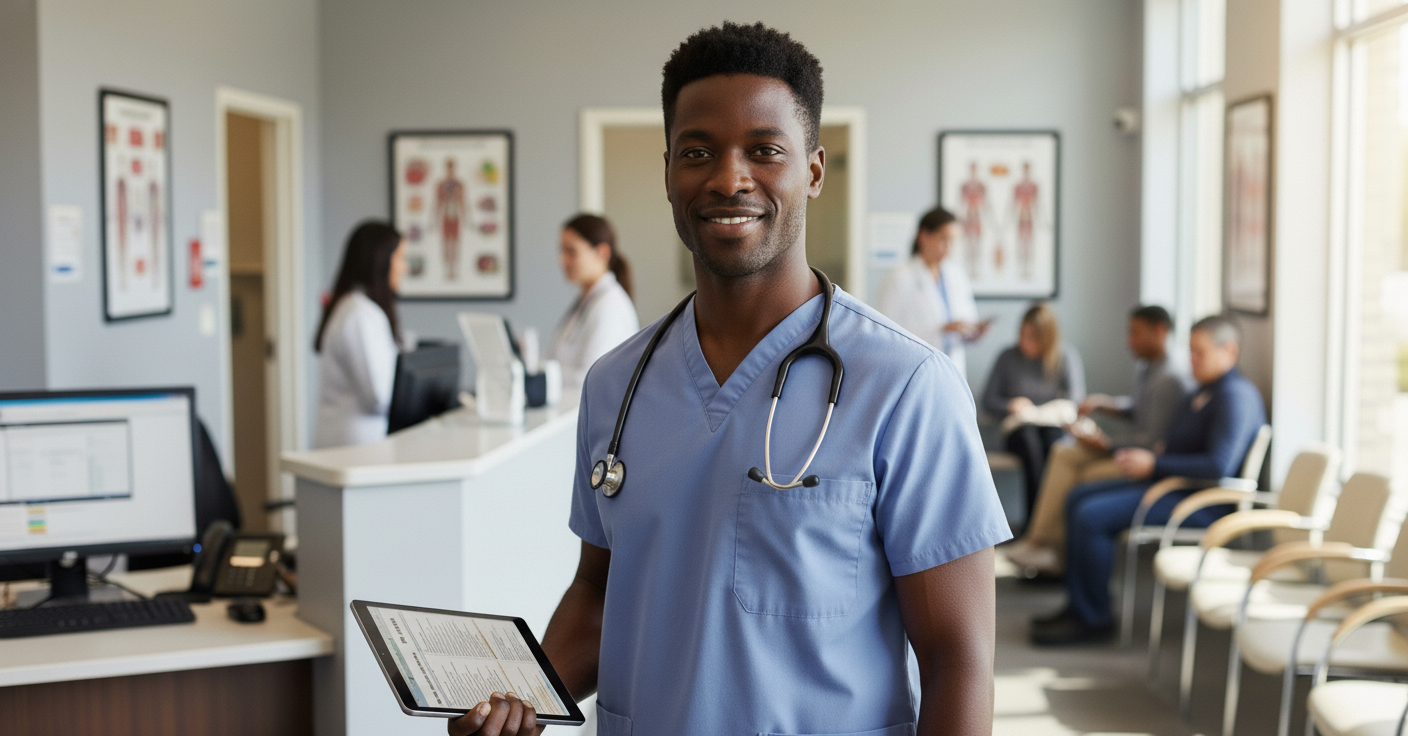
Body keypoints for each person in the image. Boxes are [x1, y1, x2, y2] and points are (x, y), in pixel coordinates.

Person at [449, 22, 1010, 736]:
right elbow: (599, 594)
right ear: (668, 173)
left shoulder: (906, 386)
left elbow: (958, 657)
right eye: (697, 152)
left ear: (813, 170)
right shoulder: (616, 385)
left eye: (765, 150)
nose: (727, 178)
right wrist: (520, 700)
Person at [1031, 314, 1266, 645]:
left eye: (1199, 353)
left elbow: (1218, 466)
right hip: (1173, 484)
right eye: (1190, 351)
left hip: (1200, 502)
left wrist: (1155, 462)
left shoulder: (1235, 396)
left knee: (1091, 516)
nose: (1191, 360)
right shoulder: (1206, 390)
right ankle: (1077, 605)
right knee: (1077, 496)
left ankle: (1094, 617)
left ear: (1229, 351)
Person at [1005, 305, 1191, 576]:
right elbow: (1140, 409)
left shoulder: (1170, 378)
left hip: (1143, 460)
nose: (1129, 341)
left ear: (1160, 331)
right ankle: (1039, 541)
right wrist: (1107, 404)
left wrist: (1106, 444)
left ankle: (1052, 551)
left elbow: (1152, 443)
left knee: (1079, 477)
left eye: (1135, 334)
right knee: (1063, 452)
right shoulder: (1148, 368)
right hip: (1128, 448)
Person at [982, 302, 1087, 525]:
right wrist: (1010, 405)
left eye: (1033, 337)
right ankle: (1035, 524)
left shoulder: (1065, 357)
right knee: (1030, 445)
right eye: (1023, 334)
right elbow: (988, 400)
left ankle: (1051, 523)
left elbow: (1076, 401)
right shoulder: (1007, 357)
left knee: (1053, 444)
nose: (1025, 341)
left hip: (1052, 426)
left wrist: (1047, 411)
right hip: (1018, 429)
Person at [312, 221, 408, 449]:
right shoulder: (359, 315)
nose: (404, 268)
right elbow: (378, 397)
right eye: (400, 258)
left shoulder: (361, 310)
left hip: (359, 443)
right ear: (381, 261)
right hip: (353, 445)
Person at [874, 206, 991, 379]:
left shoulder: (956, 275)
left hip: (952, 369)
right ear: (923, 236)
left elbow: (967, 320)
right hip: (915, 370)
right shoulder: (899, 277)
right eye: (943, 239)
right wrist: (941, 329)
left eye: (953, 241)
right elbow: (883, 332)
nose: (948, 248)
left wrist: (973, 332)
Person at [545, 214, 639, 392]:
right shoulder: (587, 302)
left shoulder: (611, 306)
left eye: (571, 251)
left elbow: (592, 377)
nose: (562, 260)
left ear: (602, 252)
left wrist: (546, 375)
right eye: (562, 251)